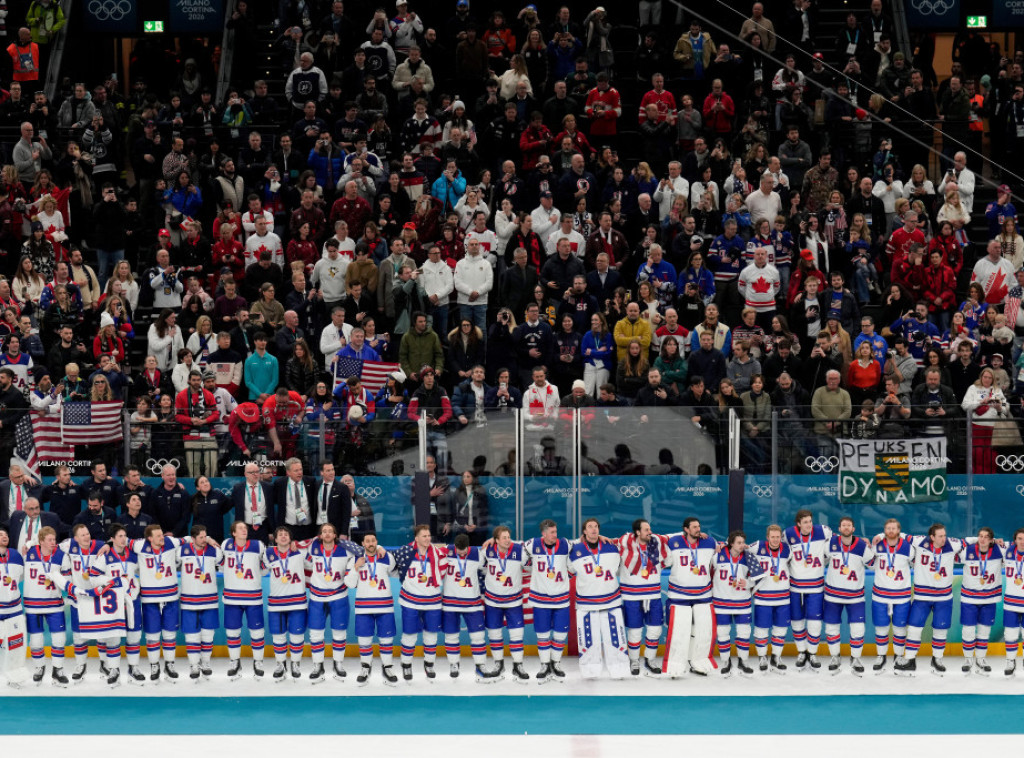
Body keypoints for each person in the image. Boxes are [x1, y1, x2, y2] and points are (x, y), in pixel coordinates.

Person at [895, 523, 964, 676]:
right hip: (922, 597)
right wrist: (879, 536)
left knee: (941, 630)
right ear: (932, 537)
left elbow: (971, 541)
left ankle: (937, 660)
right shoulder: (920, 542)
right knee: (914, 628)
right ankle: (910, 660)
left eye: (945, 535)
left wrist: (995, 541)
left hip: (944, 597)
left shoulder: (952, 544)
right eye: (940, 536)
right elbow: (900, 534)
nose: (944, 539)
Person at [568, 517, 628, 679]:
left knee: (615, 638)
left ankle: (619, 668)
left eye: (596, 526)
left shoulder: (611, 546)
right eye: (590, 527)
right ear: (584, 531)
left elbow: (629, 541)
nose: (594, 529)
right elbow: (568, 568)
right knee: (588, 640)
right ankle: (589, 670)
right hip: (586, 603)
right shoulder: (574, 550)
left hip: (611, 601)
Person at [391, 524, 448, 681]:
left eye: (429, 536)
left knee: (431, 635)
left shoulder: (438, 553)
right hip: (411, 601)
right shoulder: (405, 552)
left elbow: (459, 548)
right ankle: (406, 665)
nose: (428, 538)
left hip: (433, 601)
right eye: (424, 536)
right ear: (416, 538)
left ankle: (429, 664)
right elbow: (389, 562)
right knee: (409, 635)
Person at [305, 522, 358, 683]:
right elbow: (304, 562)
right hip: (316, 597)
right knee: (315, 634)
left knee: (339, 633)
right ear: (320, 535)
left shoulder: (346, 549)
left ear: (335, 535)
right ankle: (318, 665)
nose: (327, 534)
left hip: (338, 596)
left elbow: (364, 551)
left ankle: (338, 664)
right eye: (324, 531)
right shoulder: (312, 548)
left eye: (330, 531)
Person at [822, 517, 874, 675]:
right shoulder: (830, 543)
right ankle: (835, 657)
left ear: (853, 528)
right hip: (832, 595)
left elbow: (872, 563)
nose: (846, 528)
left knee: (858, 629)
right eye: (843, 525)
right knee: (831, 628)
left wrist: (872, 546)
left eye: (849, 525)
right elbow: (821, 560)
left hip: (855, 596)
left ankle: (855, 657)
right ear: (839, 528)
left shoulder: (861, 546)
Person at [345, 531, 399, 685]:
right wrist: (356, 567)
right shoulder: (355, 559)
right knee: (364, 639)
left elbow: (396, 572)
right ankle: (365, 667)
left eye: (373, 541)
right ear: (363, 543)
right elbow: (349, 583)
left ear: (377, 542)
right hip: (363, 607)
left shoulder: (386, 557)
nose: (370, 543)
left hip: (385, 605)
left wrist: (382, 549)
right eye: (367, 541)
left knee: (386, 639)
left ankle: (387, 667)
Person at [523, 519, 573, 680]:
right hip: (540, 598)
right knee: (543, 634)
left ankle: (555, 663)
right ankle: (545, 664)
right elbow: (522, 559)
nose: (555, 535)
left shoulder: (565, 544)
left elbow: (585, 543)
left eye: (556, 532)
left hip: (561, 598)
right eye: (552, 532)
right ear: (543, 534)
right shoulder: (532, 544)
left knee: (560, 633)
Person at [131, 524, 181, 683]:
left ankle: (169, 664)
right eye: (159, 536)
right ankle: (154, 665)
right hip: (149, 598)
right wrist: (106, 545)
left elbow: (188, 539)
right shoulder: (139, 546)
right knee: (152, 635)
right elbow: (122, 540)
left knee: (169, 634)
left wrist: (207, 538)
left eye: (162, 535)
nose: (162, 538)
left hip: (170, 596)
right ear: (150, 538)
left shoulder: (171, 542)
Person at [785, 509, 833, 671]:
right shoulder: (788, 534)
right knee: (797, 620)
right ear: (798, 524)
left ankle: (812, 653)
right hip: (795, 586)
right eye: (805, 522)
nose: (809, 525)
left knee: (814, 621)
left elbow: (834, 547)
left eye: (810, 521)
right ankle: (801, 651)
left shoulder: (823, 531)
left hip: (816, 586)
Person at [480, 525, 529, 681]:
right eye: (504, 538)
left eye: (509, 537)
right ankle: (498, 665)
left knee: (517, 635)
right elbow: (477, 564)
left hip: (514, 601)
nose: (507, 540)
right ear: (496, 540)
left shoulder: (518, 550)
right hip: (492, 601)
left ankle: (517, 665)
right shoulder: (487, 551)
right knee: (494, 635)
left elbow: (531, 561)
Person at [220, 519, 267, 679]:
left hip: (253, 596)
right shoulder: (226, 545)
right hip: (232, 597)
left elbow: (265, 567)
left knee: (257, 631)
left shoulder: (258, 545)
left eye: (245, 528)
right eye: (240, 528)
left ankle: (258, 662)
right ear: (233, 533)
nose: (244, 530)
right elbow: (221, 564)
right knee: (232, 632)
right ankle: (235, 661)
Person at [869, 518, 916, 674]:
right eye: (887, 528)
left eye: (893, 528)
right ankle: (881, 656)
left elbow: (917, 564)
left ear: (899, 531)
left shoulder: (908, 548)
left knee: (900, 628)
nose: (890, 531)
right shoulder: (877, 546)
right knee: (881, 628)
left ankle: (898, 656)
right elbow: (869, 563)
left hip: (901, 595)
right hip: (880, 594)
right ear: (884, 531)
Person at [178, 524, 222, 681]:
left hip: (209, 599)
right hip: (189, 599)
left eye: (206, 536)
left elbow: (223, 561)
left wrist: (212, 540)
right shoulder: (182, 550)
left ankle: (206, 663)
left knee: (208, 634)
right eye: (201, 537)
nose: (204, 540)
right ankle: (194, 665)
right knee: (192, 635)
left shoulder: (213, 550)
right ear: (193, 538)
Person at [712, 531, 759, 676]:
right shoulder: (717, 556)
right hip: (721, 601)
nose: (742, 545)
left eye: (743, 542)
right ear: (731, 543)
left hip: (742, 602)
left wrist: (748, 584)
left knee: (744, 633)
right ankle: (726, 661)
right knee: (723, 634)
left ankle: (743, 661)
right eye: (738, 543)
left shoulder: (749, 557)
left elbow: (759, 578)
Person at [265, 525, 308, 680]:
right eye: (280, 535)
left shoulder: (300, 552)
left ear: (290, 538)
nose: (283, 537)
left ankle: (295, 663)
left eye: (286, 534)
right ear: (275, 539)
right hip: (276, 603)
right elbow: (262, 570)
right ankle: (280, 664)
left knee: (297, 635)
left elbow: (314, 562)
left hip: (297, 601)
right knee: (278, 636)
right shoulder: (268, 553)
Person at [749, 525, 791, 673]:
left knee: (780, 630)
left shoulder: (787, 549)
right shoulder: (758, 546)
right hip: (763, 597)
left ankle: (776, 657)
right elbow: (740, 549)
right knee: (761, 630)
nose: (775, 540)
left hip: (783, 597)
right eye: (772, 537)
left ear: (781, 537)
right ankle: (762, 657)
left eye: (778, 537)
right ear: (767, 537)